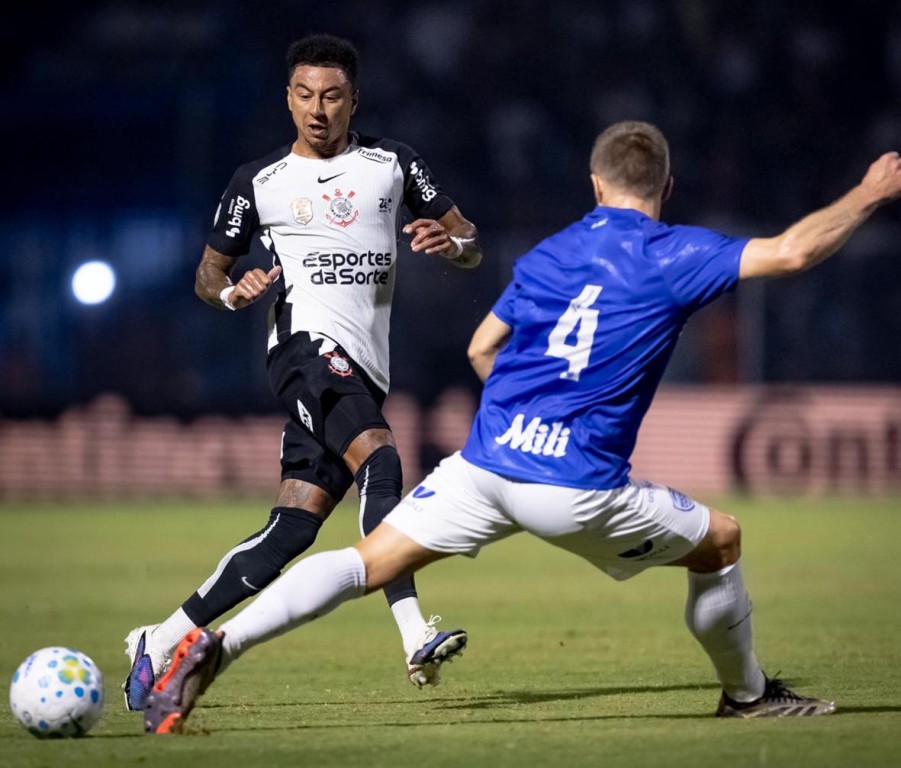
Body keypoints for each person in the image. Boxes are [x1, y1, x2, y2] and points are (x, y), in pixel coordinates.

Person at [142, 121, 901, 733]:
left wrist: (525, 417)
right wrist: (869, 192)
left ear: (595, 185)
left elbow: (482, 348)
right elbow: (794, 251)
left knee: (363, 562)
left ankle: (217, 646)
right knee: (722, 540)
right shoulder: (674, 253)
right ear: (665, 187)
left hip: (485, 466)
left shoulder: (549, 254)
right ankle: (747, 696)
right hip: (575, 487)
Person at [122, 33, 482, 711]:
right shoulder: (258, 182)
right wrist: (233, 294)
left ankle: (159, 638)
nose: (318, 109)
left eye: (332, 96)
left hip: (364, 369)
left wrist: (452, 243)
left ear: (354, 100)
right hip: (303, 352)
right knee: (381, 460)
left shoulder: (394, 164)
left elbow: (469, 242)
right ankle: (414, 635)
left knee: (292, 528)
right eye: (305, 95)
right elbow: (208, 275)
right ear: (287, 99)